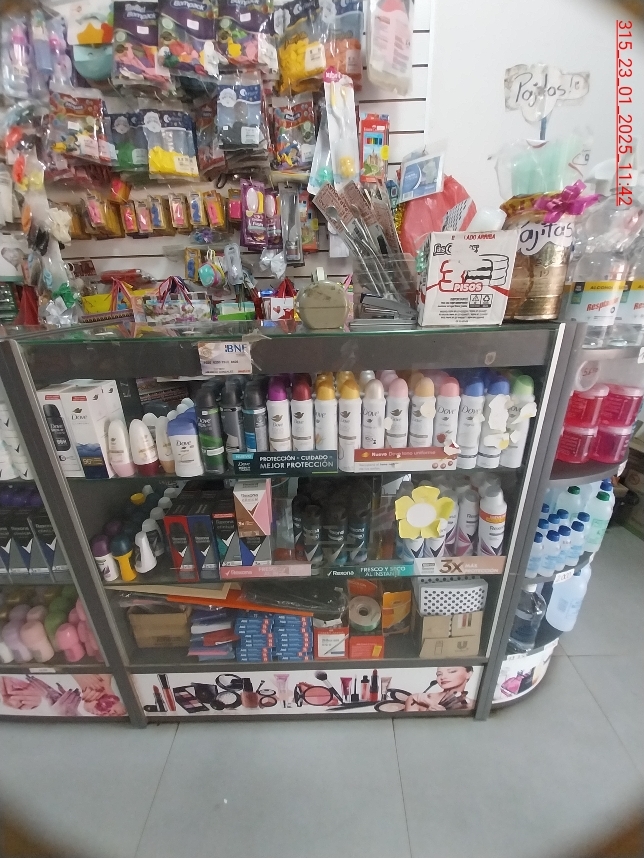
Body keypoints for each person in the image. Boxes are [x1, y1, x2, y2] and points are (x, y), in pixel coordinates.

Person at [404, 666, 475, 712]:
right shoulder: (416, 699)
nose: (443, 677)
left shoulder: (474, 705)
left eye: (452, 671)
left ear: (469, 674)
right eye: (439, 674)